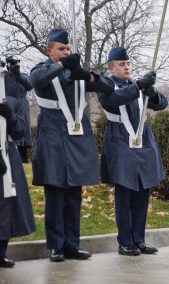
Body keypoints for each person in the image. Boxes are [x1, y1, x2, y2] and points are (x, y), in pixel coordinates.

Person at [29, 28, 115, 262]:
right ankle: (56, 246)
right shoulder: (43, 68)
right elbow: (35, 80)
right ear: (50, 51)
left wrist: (86, 75)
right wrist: (60, 66)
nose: (66, 52)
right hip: (53, 133)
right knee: (55, 193)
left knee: (74, 194)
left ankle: (71, 245)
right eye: (61, 49)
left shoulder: (75, 72)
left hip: (77, 136)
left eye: (68, 49)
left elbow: (108, 86)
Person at [97, 47, 168, 256]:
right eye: (121, 64)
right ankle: (125, 241)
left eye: (128, 63)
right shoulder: (106, 84)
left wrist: (152, 92)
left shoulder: (136, 85)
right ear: (111, 67)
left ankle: (139, 239)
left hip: (142, 140)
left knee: (142, 192)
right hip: (119, 139)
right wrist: (138, 86)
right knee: (125, 191)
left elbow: (162, 104)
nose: (126, 66)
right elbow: (111, 100)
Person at [0, 91, 35, 268]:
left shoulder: (11, 102)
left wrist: (10, 116)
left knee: (7, 206)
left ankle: (1, 253)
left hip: (8, 154)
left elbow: (20, 131)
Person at [4, 56, 33, 163]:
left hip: (22, 109)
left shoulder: (23, 76)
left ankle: (24, 161)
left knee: (23, 139)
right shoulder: (3, 76)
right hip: (8, 107)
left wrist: (17, 74)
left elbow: (30, 86)